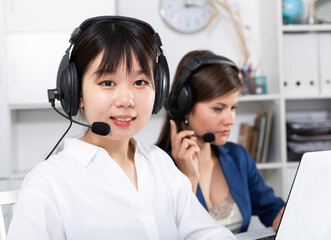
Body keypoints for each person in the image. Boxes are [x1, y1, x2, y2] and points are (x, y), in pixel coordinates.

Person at [7, 17, 236, 240]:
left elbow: (206, 232)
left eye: (140, 82)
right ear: (75, 92)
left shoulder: (161, 165)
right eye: (107, 83)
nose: (126, 100)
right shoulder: (47, 183)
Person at [156, 50, 285, 233]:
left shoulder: (237, 156)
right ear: (184, 106)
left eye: (233, 107)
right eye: (218, 109)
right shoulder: (158, 166)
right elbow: (167, 233)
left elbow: (271, 208)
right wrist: (189, 179)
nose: (230, 119)